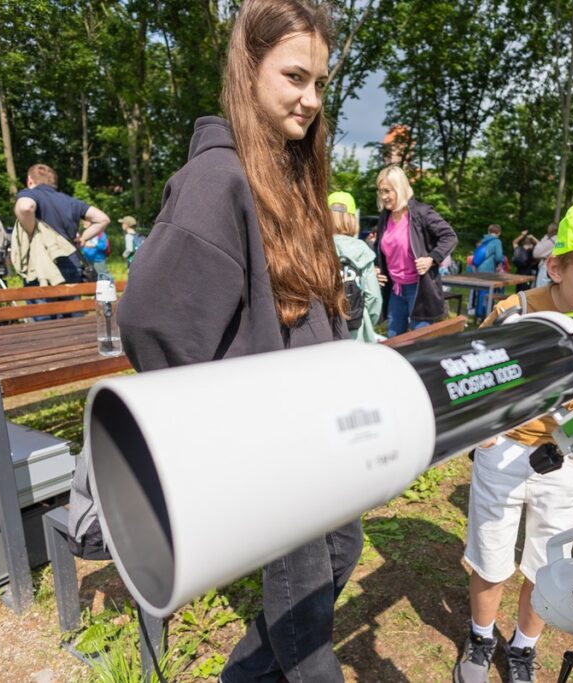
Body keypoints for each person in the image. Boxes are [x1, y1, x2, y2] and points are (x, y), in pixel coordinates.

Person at [116, 3, 363, 680]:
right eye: (294, 76)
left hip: (320, 431)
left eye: (319, 82)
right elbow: (150, 318)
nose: (310, 99)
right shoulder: (216, 180)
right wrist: (232, 419)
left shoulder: (291, 176)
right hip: (273, 449)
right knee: (307, 615)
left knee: (345, 547)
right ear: (249, 68)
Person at [455, 195, 573, 683]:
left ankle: (524, 647)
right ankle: (480, 637)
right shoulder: (517, 312)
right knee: (491, 561)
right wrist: (487, 437)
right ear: (555, 268)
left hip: (568, 463)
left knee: (545, 567)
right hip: (507, 454)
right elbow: (474, 379)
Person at [373, 164, 457, 337]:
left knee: (419, 341)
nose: (383, 196)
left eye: (387, 191)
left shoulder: (421, 213)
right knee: (394, 340)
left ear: (400, 188)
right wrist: (376, 268)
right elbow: (381, 248)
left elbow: (450, 236)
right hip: (396, 289)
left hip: (419, 289)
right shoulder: (385, 217)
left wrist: (431, 259)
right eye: (380, 191)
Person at [14, 163, 110, 282]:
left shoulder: (31, 194)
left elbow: (25, 207)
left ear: (30, 180)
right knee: (72, 301)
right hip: (72, 265)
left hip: (42, 266)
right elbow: (103, 219)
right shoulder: (71, 201)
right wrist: (83, 238)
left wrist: (30, 231)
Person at [329, 190, 382, 342]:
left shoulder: (317, 249)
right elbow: (373, 297)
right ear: (352, 219)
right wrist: (368, 322)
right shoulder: (361, 250)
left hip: (327, 334)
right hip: (357, 333)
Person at [532, 222, 557, 287]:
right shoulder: (562, 241)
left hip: (546, 269)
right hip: (558, 268)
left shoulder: (552, 241)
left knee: (542, 291)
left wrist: (545, 238)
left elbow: (536, 253)